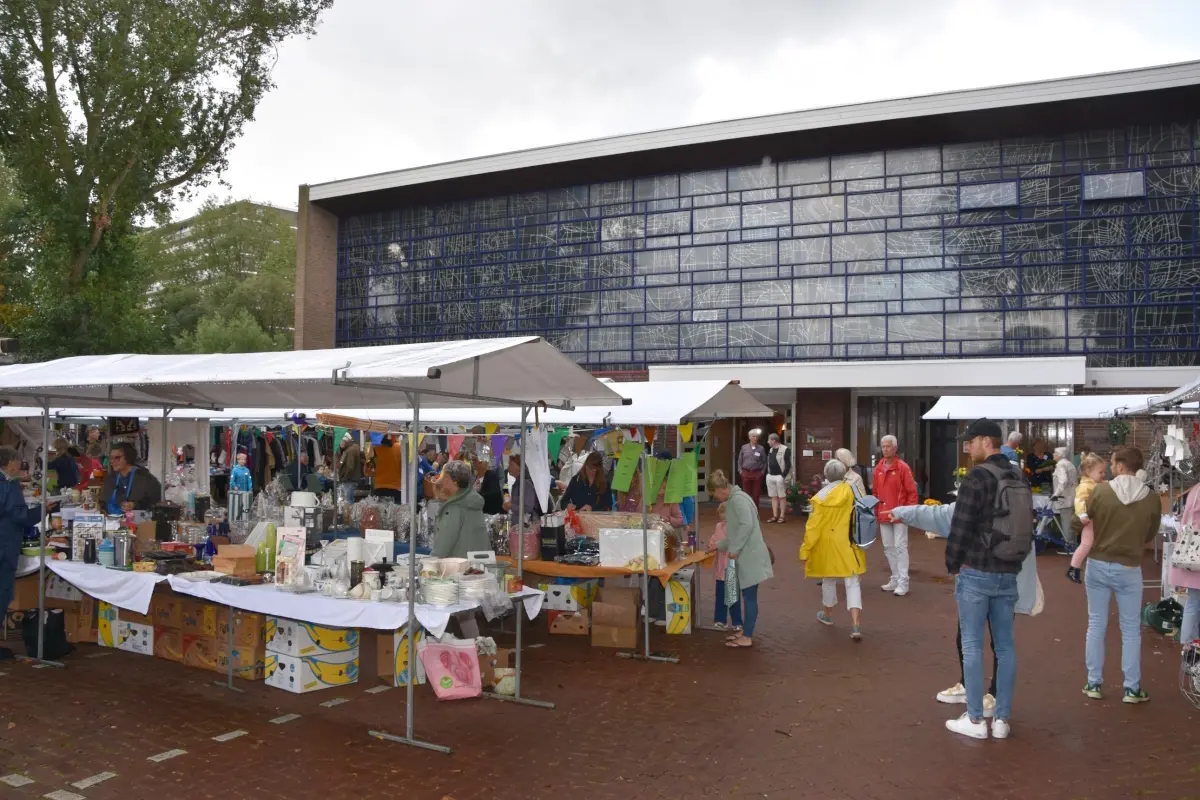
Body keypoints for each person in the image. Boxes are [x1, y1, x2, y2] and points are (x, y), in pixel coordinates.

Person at [943, 418, 1029, 741]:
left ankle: (976, 719)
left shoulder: (977, 477)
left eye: (970, 442)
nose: (967, 447)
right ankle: (1003, 720)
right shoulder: (1017, 475)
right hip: (1008, 571)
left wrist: (953, 563)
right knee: (1005, 646)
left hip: (977, 571)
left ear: (985, 442)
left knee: (972, 645)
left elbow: (961, 526)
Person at [1078, 446, 1160, 704]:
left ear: (1123, 465)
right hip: (1129, 567)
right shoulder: (1151, 497)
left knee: (1096, 625)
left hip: (1099, 563)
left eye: (1114, 463)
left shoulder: (1101, 491)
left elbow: (1082, 521)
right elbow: (1150, 534)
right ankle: (1132, 688)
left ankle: (1093, 683)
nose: (1111, 468)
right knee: (1130, 629)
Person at [705, 469, 773, 649]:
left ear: (720, 490)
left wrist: (733, 550)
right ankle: (745, 632)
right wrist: (719, 545)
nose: (717, 499)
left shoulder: (736, 501)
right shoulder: (740, 497)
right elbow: (736, 531)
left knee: (749, 597)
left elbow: (745, 526)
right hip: (750, 554)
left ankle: (747, 636)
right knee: (748, 596)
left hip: (749, 556)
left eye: (715, 495)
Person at [800, 459, 866, 640]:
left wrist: (805, 551)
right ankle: (855, 625)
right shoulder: (854, 491)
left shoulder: (820, 497)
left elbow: (812, 528)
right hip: (849, 542)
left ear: (826, 475)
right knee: (852, 582)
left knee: (828, 579)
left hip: (827, 544)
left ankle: (827, 614)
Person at [0, 447, 42, 660]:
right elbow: (21, 516)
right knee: (2, 594)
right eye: (18, 461)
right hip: (4, 546)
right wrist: (45, 510)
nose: (21, 466)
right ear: (10, 463)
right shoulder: (8, 485)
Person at [873, 434, 918, 596]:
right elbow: (876, 492)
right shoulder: (878, 468)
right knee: (888, 547)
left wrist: (908, 512)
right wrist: (877, 510)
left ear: (895, 448)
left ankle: (903, 581)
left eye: (888, 446)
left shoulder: (902, 467)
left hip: (899, 514)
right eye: (883, 446)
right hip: (884, 514)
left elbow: (912, 492)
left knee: (900, 547)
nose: (885, 449)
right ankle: (895, 578)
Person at [431, 460, 490, 558]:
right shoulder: (471, 499)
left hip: (460, 568)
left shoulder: (454, 507)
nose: (442, 481)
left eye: (444, 477)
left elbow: (443, 544)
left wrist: (429, 565)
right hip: (480, 566)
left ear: (455, 481)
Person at [1067, 453, 1108, 579]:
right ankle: (1074, 568)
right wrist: (1082, 515)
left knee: (1094, 544)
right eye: (1100, 472)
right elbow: (1079, 501)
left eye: (1103, 472)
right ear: (1088, 472)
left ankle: (1090, 569)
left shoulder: (1097, 484)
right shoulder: (1085, 486)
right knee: (1086, 544)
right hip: (1089, 520)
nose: (1103, 475)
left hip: (1096, 519)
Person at [100, 442, 162, 513]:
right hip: (112, 522)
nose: (112, 461)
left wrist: (135, 505)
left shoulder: (145, 478)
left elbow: (156, 501)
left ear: (128, 457)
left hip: (139, 522)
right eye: (111, 458)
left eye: (117, 458)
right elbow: (104, 501)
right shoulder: (111, 478)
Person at [709, 502, 742, 632]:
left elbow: (729, 542)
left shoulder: (736, 528)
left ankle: (737, 621)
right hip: (720, 567)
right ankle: (719, 620)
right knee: (720, 595)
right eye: (721, 515)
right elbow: (714, 539)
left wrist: (717, 544)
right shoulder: (718, 526)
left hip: (731, 565)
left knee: (733, 597)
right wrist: (712, 544)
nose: (723, 518)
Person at [1051, 446, 1079, 547]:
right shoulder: (1069, 464)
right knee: (1070, 522)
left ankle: (1069, 545)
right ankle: (1073, 544)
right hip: (1071, 496)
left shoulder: (1061, 465)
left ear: (1059, 455)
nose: (1053, 455)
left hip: (1065, 498)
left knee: (1066, 522)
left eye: (1055, 453)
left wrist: (1056, 494)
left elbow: (1063, 480)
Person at [737, 429, 767, 515]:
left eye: (757, 436)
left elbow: (765, 461)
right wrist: (740, 471)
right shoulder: (744, 447)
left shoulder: (761, 448)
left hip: (757, 473)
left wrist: (762, 473)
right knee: (746, 494)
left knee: (756, 495)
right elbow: (739, 461)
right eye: (753, 436)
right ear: (749, 437)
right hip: (745, 473)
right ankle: (746, 512)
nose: (755, 438)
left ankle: (755, 512)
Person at [765, 433, 791, 524]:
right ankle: (775, 516)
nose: (768, 442)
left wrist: (782, 476)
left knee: (782, 497)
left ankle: (782, 516)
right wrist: (767, 473)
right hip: (770, 475)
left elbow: (788, 464)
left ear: (773, 441)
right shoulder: (771, 450)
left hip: (779, 476)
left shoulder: (785, 449)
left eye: (769, 440)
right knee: (774, 497)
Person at [371, 436, 404, 501]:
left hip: (379, 486)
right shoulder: (401, 448)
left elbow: (368, 471)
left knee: (380, 509)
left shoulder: (375, 448)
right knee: (395, 509)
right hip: (396, 486)